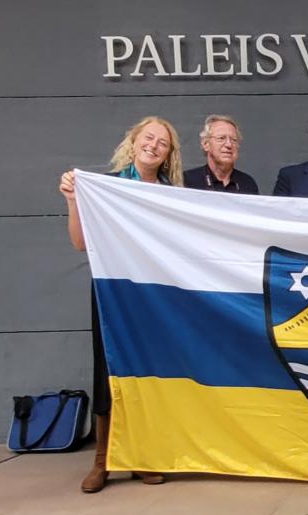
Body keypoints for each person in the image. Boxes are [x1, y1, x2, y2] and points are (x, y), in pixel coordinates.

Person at [58, 115, 182, 493]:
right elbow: (81, 243)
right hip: (113, 293)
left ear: (169, 154)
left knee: (148, 373)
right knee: (107, 372)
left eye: (163, 142)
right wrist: (72, 200)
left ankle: (142, 457)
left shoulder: (171, 195)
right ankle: (104, 461)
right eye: (149, 137)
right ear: (133, 141)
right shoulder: (107, 188)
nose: (154, 145)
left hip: (153, 297)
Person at [183, 115, 258, 194]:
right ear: (206, 144)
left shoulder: (247, 184)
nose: (229, 145)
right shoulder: (188, 181)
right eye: (221, 138)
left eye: (234, 140)